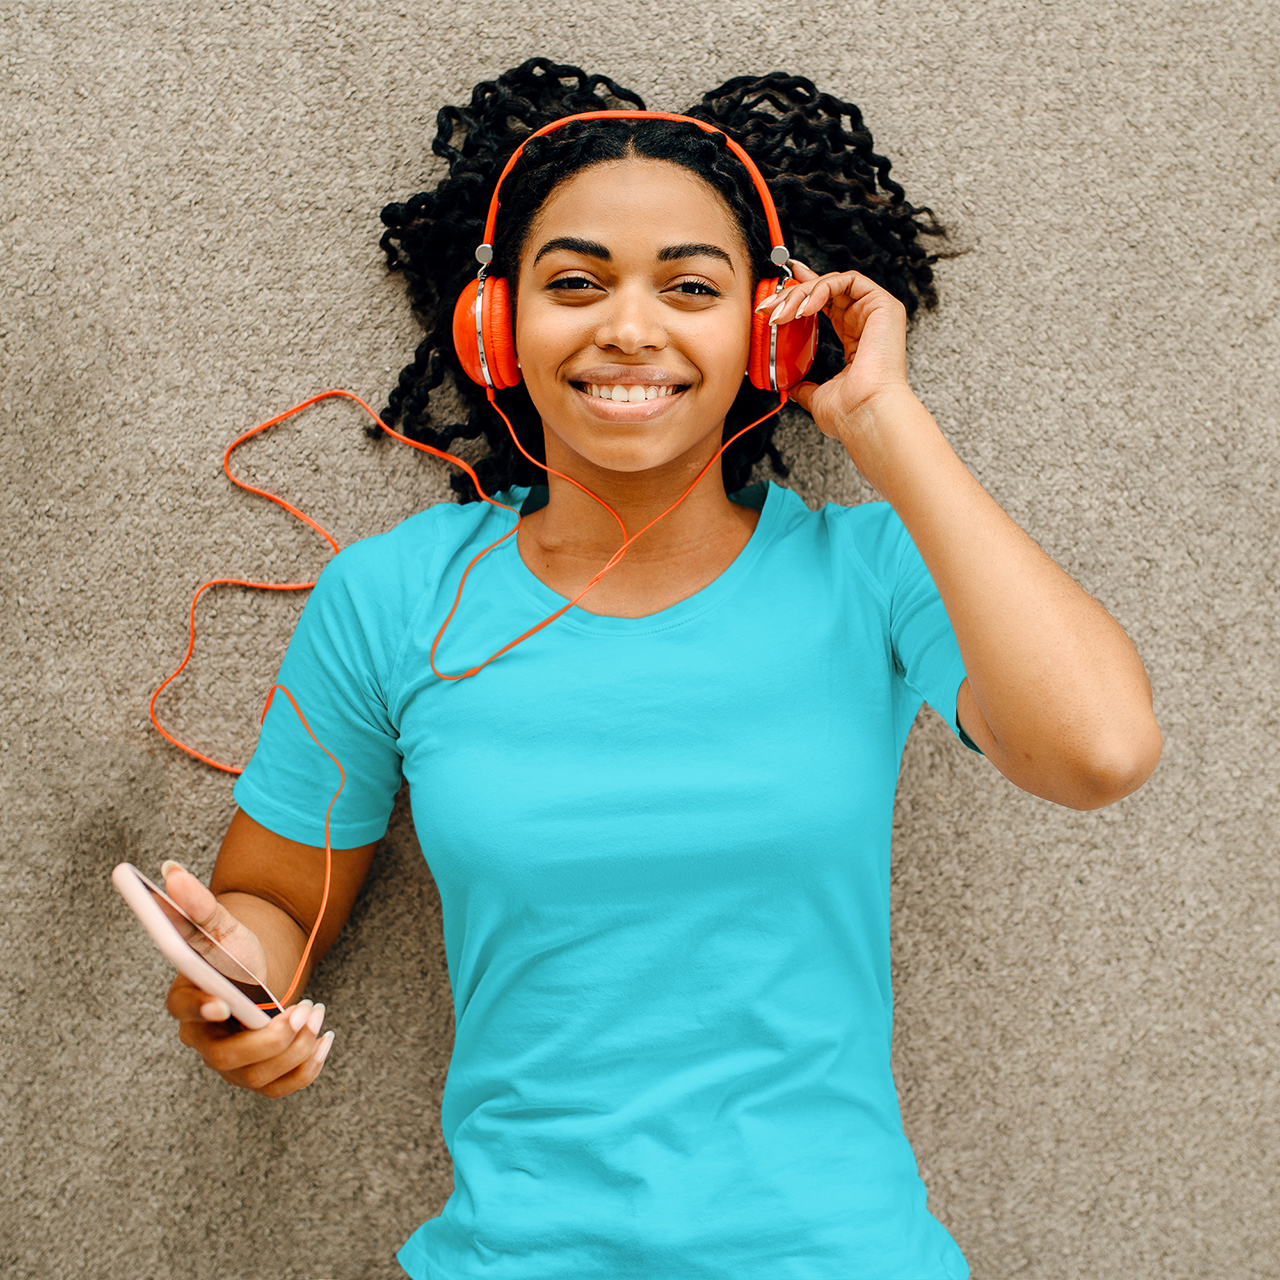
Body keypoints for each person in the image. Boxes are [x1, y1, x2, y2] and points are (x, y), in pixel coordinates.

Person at [160, 58, 1162, 1279]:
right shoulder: (390, 597)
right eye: (573, 283)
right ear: (492, 324)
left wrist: (883, 419)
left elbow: (1098, 750)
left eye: (690, 287)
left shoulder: (874, 571)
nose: (628, 326)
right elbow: (271, 904)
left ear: (766, 335)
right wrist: (227, 985)